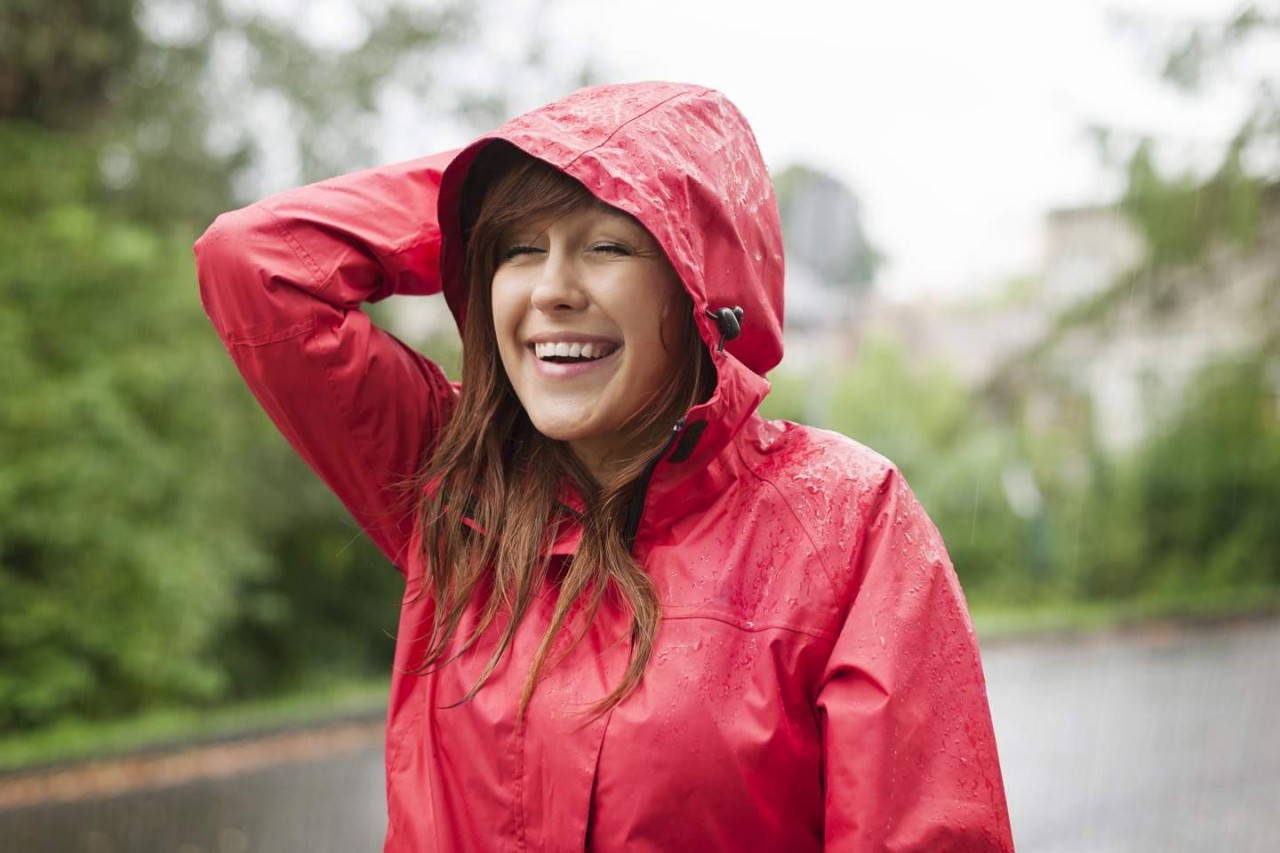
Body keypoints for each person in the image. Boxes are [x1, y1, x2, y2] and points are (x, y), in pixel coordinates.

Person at [195, 81, 1014, 851]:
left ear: (699, 282)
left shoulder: (846, 519)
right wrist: (513, 170)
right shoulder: (452, 477)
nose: (552, 289)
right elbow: (255, 262)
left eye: (607, 244)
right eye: (517, 249)